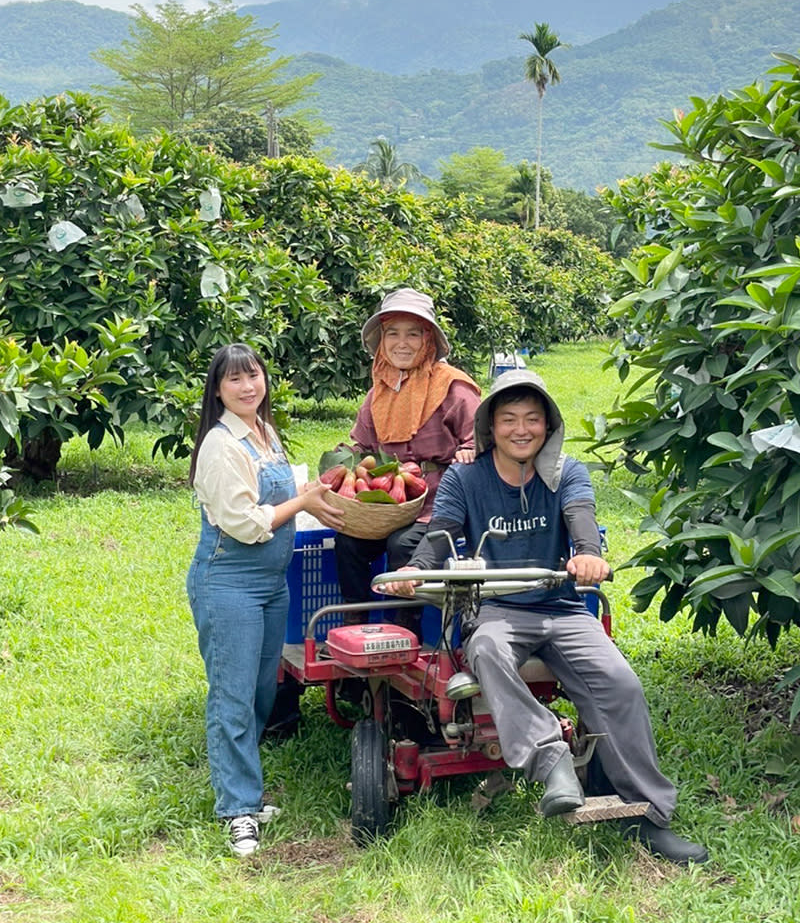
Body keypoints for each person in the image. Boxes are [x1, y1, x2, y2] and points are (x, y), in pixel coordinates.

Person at [385, 368, 708, 866]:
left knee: (621, 685)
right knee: (488, 649)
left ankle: (647, 819)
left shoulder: (567, 473)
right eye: (508, 419)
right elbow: (439, 536)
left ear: (548, 425)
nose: (521, 429)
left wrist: (586, 555)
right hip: (496, 608)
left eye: (532, 419)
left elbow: (582, 523)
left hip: (560, 608)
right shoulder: (466, 477)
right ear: (490, 426)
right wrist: (415, 568)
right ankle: (550, 758)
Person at [187, 343, 344, 857]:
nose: (248, 386)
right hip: (229, 581)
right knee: (231, 695)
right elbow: (247, 523)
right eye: (235, 380)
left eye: (253, 375)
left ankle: (247, 793)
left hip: (272, 584)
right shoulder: (220, 445)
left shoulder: (264, 433)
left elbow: (282, 497)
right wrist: (304, 500)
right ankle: (237, 810)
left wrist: (316, 489)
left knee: (259, 692)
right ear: (218, 390)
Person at [334, 288, 482, 633]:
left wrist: (469, 452)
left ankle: (406, 632)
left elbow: (483, 439)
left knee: (402, 544)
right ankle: (354, 624)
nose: (402, 343)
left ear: (428, 339)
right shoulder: (380, 391)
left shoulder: (454, 388)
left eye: (413, 333)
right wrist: (343, 464)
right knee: (349, 543)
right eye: (393, 333)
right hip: (390, 501)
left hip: (442, 503)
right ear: (382, 341)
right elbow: (362, 447)